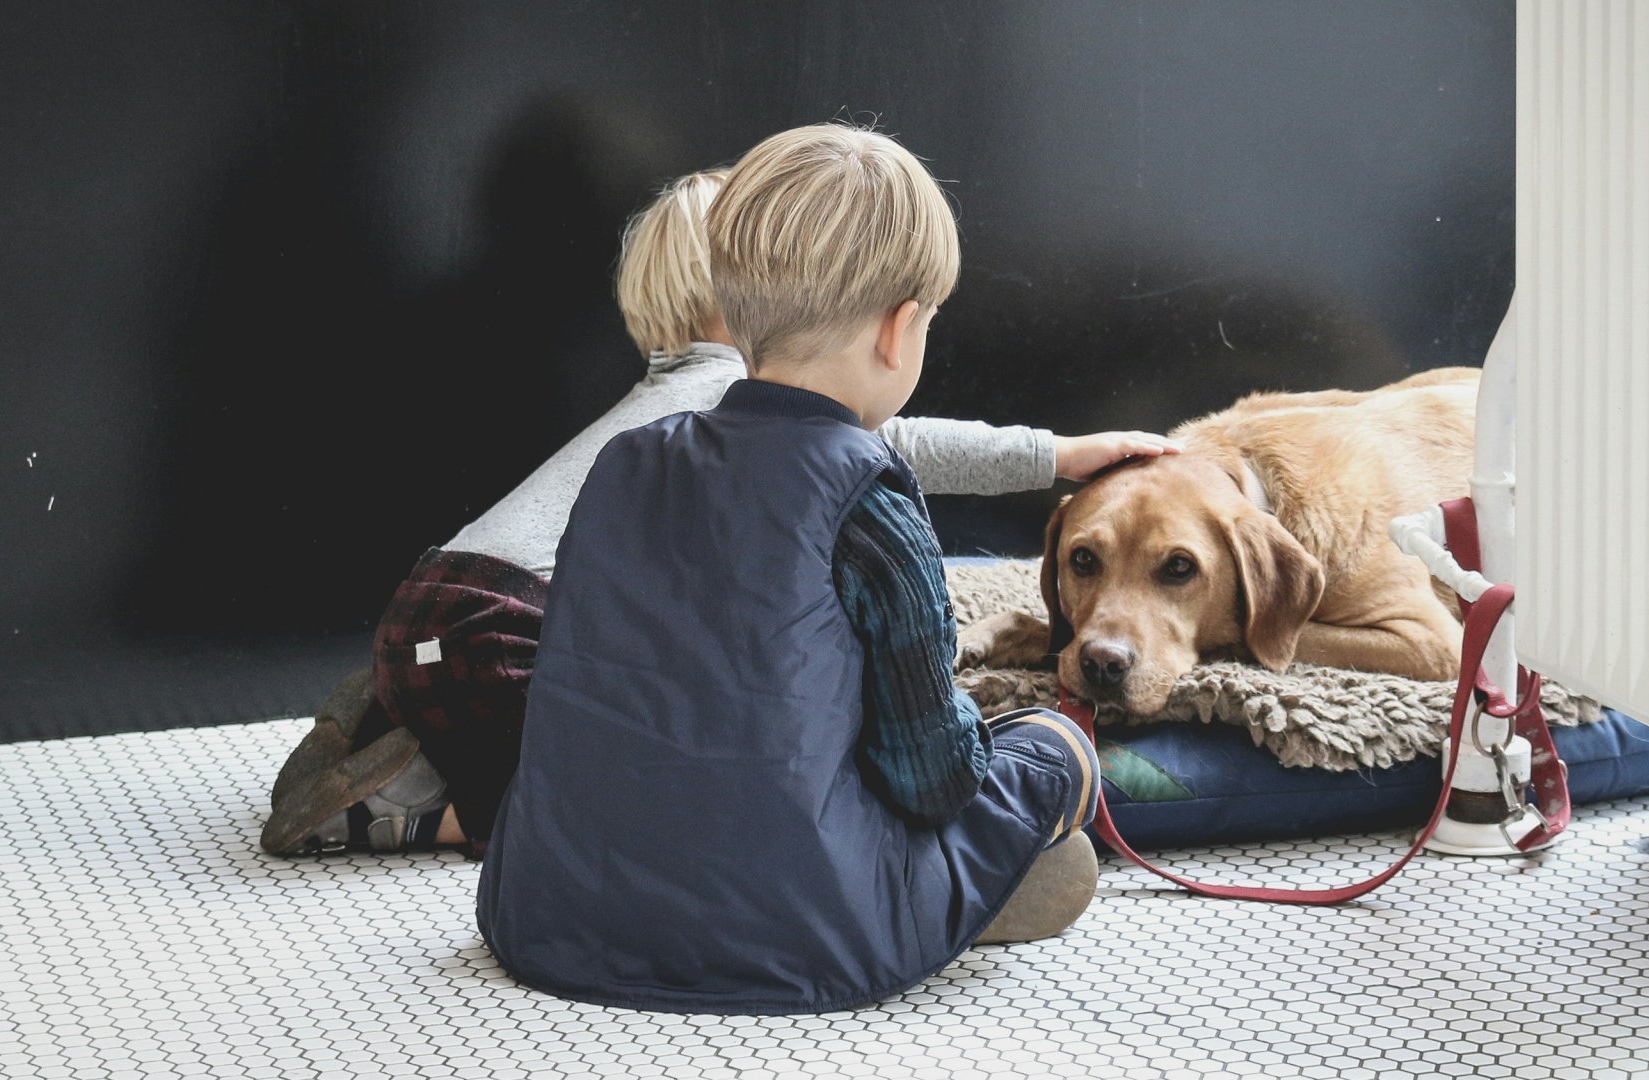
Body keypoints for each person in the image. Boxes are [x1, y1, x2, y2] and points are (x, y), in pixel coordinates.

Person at [261, 163, 1175, 861]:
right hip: (508, 624)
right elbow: (896, 441)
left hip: (441, 604)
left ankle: (400, 725)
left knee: (575, 729)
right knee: (597, 802)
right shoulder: (734, 400)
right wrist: (1054, 455)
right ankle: (404, 812)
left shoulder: (666, 404)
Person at [475, 123, 1122, 1014]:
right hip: (800, 930)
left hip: (553, 910)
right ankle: (967, 885)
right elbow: (931, 779)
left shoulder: (625, 462)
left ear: (731, 315)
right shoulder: (869, 502)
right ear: (900, 331)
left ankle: (942, 886)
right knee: (1052, 749)